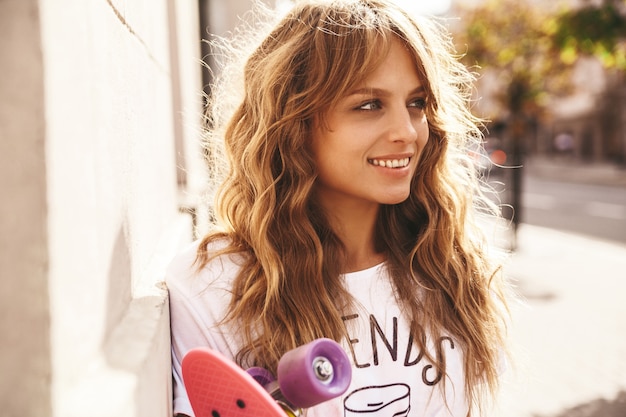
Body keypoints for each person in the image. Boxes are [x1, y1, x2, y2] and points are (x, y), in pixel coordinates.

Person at [167, 0, 512, 416]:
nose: (406, 132)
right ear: (295, 121)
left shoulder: (449, 266)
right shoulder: (214, 286)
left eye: (417, 103)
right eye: (369, 105)